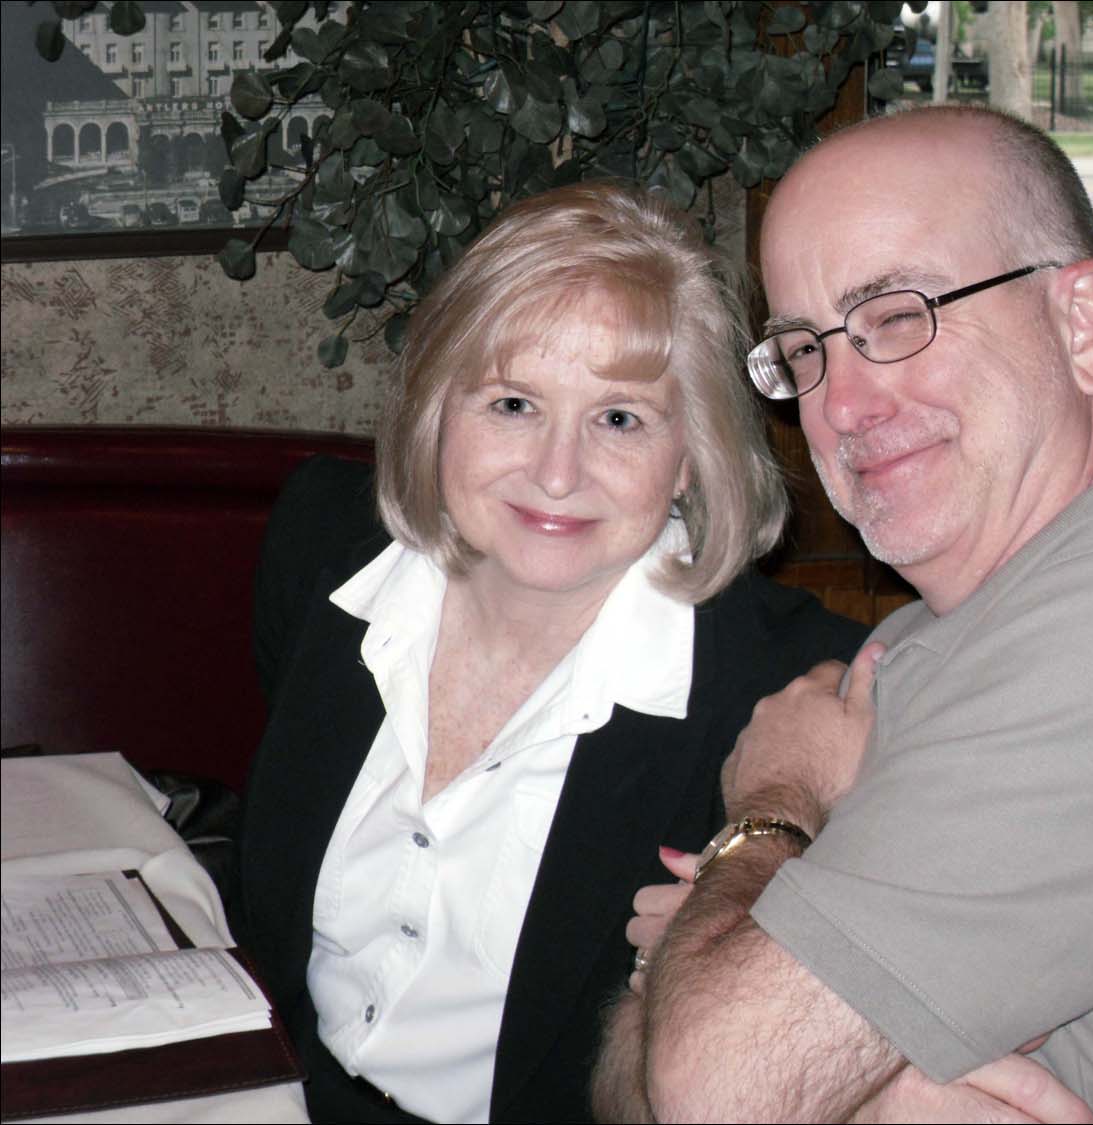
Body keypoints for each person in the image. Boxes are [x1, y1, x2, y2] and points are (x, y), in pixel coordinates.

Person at [593, 106, 1093, 1123]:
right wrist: (822, 1040)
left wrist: (773, 808)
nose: (842, 405)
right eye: (804, 352)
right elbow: (638, 1079)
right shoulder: (928, 635)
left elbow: (710, 1094)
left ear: (1084, 324)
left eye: (897, 317)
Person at [234, 180, 871, 1123]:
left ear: (692, 454)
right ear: (438, 406)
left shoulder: (787, 687)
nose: (556, 472)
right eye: (514, 403)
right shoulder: (322, 550)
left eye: (620, 418)